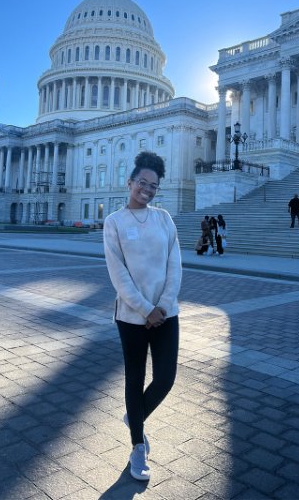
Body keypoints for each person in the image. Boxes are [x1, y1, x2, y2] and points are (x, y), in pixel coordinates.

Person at [103, 151, 182, 481]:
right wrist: (145, 309)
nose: (147, 189)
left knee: (165, 379)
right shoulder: (114, 222)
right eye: (142, 183)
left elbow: (174, 264)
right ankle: (138, 445)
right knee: (134, 379)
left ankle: (134, 416)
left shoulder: (164, 218)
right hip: (132, 318)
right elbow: (118, 273)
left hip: (166, 314)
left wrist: (162, 305)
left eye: (153, 185)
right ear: (130, 182)